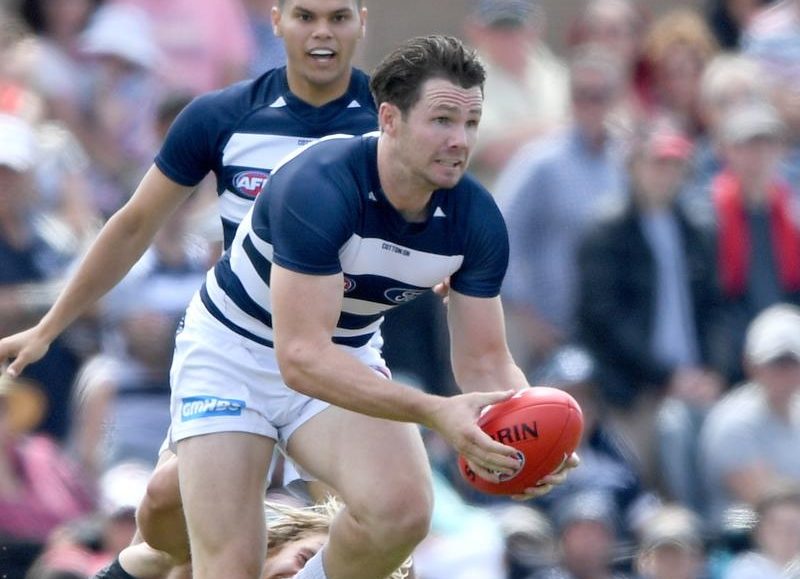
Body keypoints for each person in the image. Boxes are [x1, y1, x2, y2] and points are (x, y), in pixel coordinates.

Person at [144, 34, 576, 579]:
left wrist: (528, 436)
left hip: (343, 353)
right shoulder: (319, 186)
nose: (459, 141)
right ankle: (159, 526)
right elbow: (300, 358)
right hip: (233, 354)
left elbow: (486, 363)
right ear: (389, 119)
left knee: (403, 512)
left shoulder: (477, 219)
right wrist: (432, 411)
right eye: (442, 120)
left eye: (471, 123)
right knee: (214, 557)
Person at [1, 0, 377, 573]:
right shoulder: (222, 115)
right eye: (306, 16)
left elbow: (434, 219)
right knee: (163, 524)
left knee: (380, 518)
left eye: (338, 16)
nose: (322, 32)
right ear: (276, 20)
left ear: (362, 20)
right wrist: (50, 326)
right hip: (236, 356)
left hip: (334, 357)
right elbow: (131, 224)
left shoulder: (390, 118)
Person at [699, 304, 800, 534]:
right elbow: (766, 501)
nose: (784, 372)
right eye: (775, 363)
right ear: (751, 364)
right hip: (739, 533)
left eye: (792, 362)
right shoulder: (732, 422)